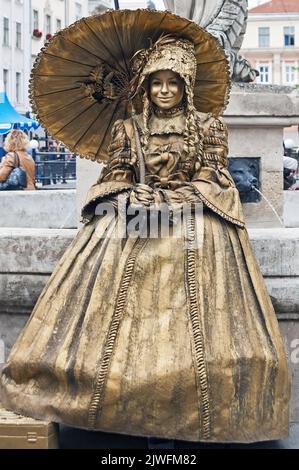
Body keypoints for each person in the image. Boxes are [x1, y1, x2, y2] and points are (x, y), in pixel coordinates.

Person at [0, 35, 290, 443]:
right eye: (157, 82)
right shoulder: (129, 128)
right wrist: (128, 191)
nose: (165, 90)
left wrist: (187, 195)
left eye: (174, 82)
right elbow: (114, 176)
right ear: (146, 87)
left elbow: (215, 175)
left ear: (187, 85)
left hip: (193, 220)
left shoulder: (209, 127)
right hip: (137, 219)